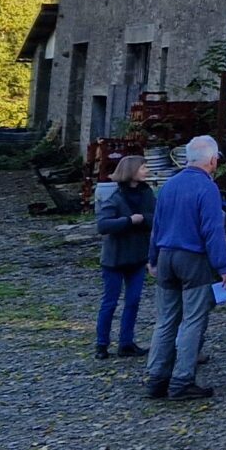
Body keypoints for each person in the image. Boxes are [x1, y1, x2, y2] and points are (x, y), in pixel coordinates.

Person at [145, 135, 226, 401]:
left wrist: (152, 258)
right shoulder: (207, 188)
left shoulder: (169, 185)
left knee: (165, 320)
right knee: (193, 320)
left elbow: (157, 225)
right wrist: (224, 266)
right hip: (192, 258)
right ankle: (182, 379)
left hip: (166, 256)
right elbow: (213, 230)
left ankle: (156, 377)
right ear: (212, 160)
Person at [93, 153, 153, 358]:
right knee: (110, 302)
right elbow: (103, 225)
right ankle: (102, 344)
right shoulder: (114, 196)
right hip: (115, 259)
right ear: (131, 171)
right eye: (143, 167)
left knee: (133, 301)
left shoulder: (147, 193)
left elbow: (155, 216)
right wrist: (129, 221)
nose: (147, 171)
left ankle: (126, 343)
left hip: (138, 257)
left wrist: (143, 219)